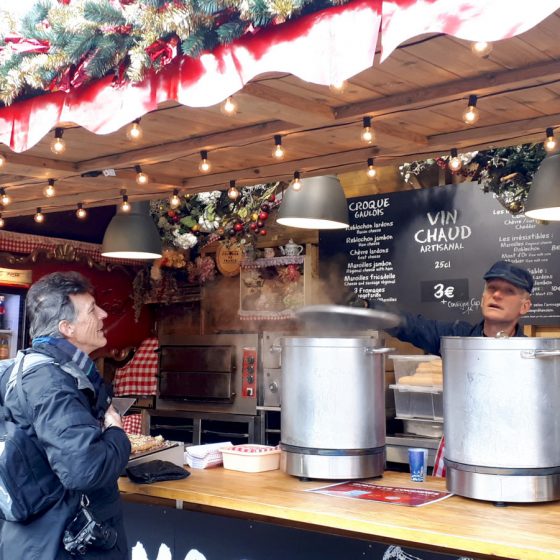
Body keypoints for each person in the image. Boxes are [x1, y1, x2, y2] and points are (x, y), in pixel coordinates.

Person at [0, 271, 131, 559]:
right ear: (66, 328)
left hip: (36, 537)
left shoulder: (25, 369)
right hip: (61, 542)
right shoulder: (52, 383)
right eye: (92, 309)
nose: (104, 314)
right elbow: (86, 470)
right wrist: (115, 430)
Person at [383, 260, 533, 356]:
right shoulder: (456, 338)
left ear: (524, 307)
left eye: (509, 291)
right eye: (492, 288)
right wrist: (368, 307)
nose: (497, 295)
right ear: (483, 298)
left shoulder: (532, 353)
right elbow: (411, 326)